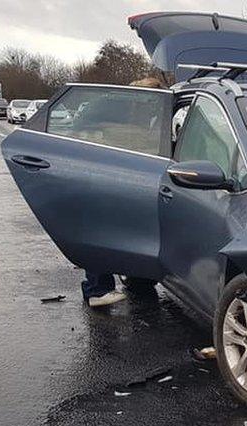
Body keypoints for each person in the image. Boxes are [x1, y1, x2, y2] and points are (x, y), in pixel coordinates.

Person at [81, 76, 167, 308]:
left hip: (138, 183)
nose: (152, 107)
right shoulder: (115, 117)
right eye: (150, 102)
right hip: (109, 181)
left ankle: (139, 278)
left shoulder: (153, 118)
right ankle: (97, 289)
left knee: (133, 232)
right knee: (103, 233)